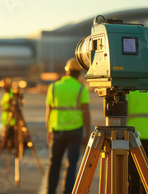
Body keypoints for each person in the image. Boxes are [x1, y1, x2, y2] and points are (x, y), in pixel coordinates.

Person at [45, 58, 91, 194]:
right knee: (71, 165)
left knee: (54, 164)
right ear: (79, 73)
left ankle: (50, 191)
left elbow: (48, 112)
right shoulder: (81, 88)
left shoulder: (53, 87)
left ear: (68, 71)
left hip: (57, 131)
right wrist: (87, 133)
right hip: (75, 131)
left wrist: (49, 131)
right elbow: (86, 112)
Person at [127, 45, 148, 194]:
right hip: (147, 133)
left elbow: (124, 113)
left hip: (131, 134)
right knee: (144, 169)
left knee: (131, 172)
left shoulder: (130, 91)